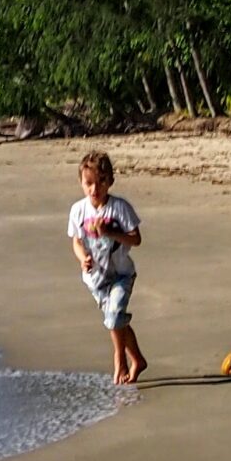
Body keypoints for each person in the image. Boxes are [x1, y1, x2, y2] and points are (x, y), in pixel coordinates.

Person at [68, 151, 148, 385]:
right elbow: (76, 241)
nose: (95, 189)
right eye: (89, 183)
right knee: (117, 319)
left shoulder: (119, 208)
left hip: (122, 274)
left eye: (101, 182)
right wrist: (83, 257)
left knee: (114, 317)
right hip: (96, 279)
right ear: (81, 183)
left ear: (110, 181)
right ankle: (138, 359)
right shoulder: (78, 211)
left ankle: (120, 359)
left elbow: (136, 239)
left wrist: (110, 232)